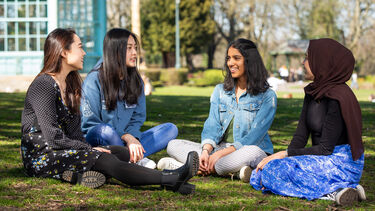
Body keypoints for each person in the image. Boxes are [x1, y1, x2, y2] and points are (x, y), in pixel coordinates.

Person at [20, 28, 198, 194]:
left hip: (64, 151)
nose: (84, 53)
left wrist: (91, 148)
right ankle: (171, 179)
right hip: (42, 157)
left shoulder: (71, 85)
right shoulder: (44, 84)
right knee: (106, 159)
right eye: (80, 47)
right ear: (63, 52)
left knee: (119, 153)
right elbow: (53, 138)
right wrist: (90, 149)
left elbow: (74, 133)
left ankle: (78, 176)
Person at [251, 38, 366, 205]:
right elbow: (300, 136)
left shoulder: (338, 97)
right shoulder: (313, 92)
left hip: (341, 162)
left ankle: (337, 191)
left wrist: (285, 154)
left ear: (322, 62)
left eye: (307, 58)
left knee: (273, 171)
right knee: (270, 168)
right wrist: (284, 156)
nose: (303, 62)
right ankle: (342, 189)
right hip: (319, 158)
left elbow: (326, 148)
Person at [157, 38, 277, 183]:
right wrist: (207, 152)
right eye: (228, 58)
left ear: (249, 61)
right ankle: (234, 171)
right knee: (173, 145)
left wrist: (219, 155)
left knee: (252, 152)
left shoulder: (267, 96)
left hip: (249, 150)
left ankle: (185, 167)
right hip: (220, 149)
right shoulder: (220, 91)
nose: (230, 63)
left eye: (236, 58)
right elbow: (212, 124)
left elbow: (254, 137)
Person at [80, 28, 178, 169]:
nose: (134, 53)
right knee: (105, 131)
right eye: (129, 48)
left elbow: (137, 118)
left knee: (170, 129)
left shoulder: (136, 80)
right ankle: (134, 158)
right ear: (115, 51)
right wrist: (126, 136)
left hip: (127, 141)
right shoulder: (93, 80)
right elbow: (91, 125)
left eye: (135, 48)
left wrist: (132, 138)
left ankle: (128, 158)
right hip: (100, 139)